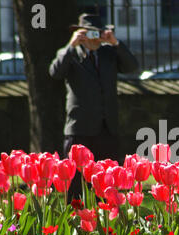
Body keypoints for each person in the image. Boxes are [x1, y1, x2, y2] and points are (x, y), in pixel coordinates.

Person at [49, 13, 139, 201]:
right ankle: (76, 223)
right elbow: (55, 72)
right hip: (80, 129)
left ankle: (104, 224)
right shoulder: (71, 55)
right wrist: (70, 45)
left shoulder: (109, 54)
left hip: (107, 129)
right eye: (89, 34)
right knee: (75, 187)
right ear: (80, 34)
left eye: (97, 33)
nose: (94, 38)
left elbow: (132, 66)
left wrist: (115, 43)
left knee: (106, 185)